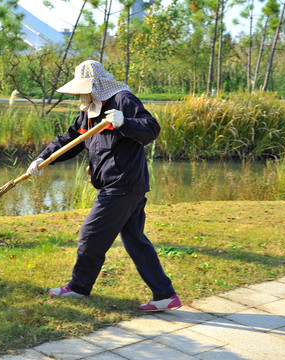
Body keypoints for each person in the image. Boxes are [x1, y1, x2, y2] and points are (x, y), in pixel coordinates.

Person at [26, 60, 181, 312]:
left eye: (82, 89)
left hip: (123, 183)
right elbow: (72, 139)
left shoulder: (123, 100)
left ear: (96, 85)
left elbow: (151, 129)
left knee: (90, 234)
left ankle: (78, 287)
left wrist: (124, 122)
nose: (79, 94)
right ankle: (165, 294)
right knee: (135, 240)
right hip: (120, 184)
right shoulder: (89, 109)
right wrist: (43, 158)